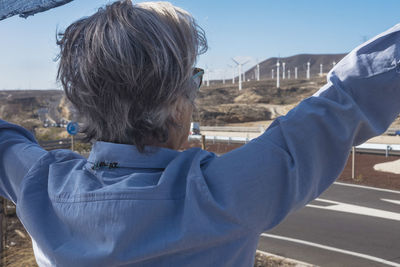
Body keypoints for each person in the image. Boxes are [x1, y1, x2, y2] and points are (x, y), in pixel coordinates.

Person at [1, 0, 400, 266]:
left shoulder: (38, 182)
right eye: (194, 78)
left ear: (80, 100)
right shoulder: (228, 192)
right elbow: (348, 100)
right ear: (176, 103)